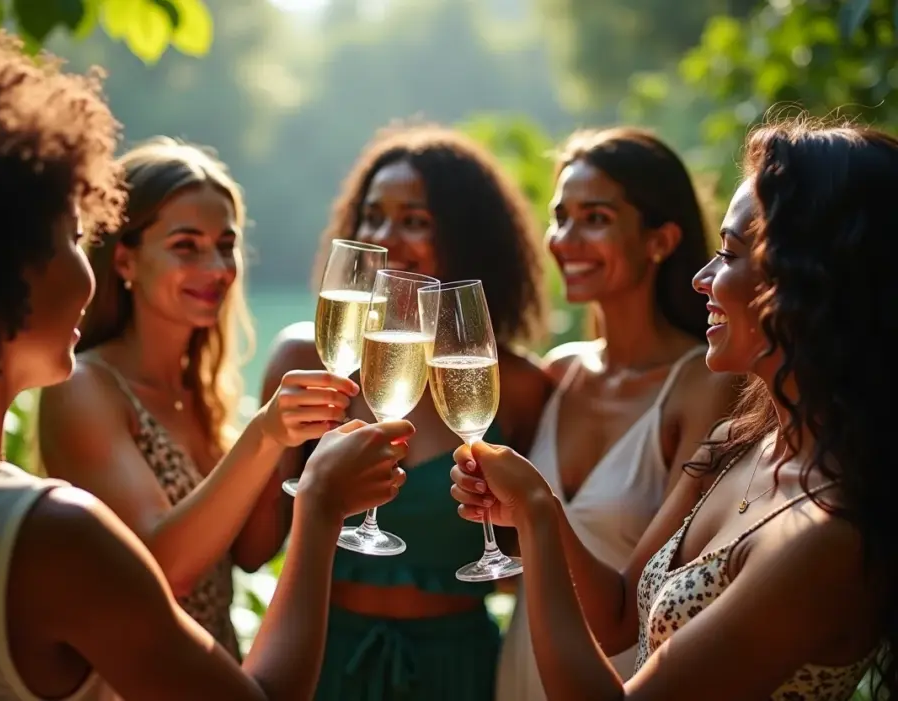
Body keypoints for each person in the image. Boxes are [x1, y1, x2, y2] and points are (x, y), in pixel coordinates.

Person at [0, 30, 412, 701]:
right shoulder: (51, 534)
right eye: (75, 236)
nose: (88, 271)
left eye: (225, 246)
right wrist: (323, 507)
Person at [453, 118, 895, 700]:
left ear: (809, 283)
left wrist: (536, 511)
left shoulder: (826, 538)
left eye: (731, 255)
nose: (702, 278)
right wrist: (538, 515)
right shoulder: (737, 444)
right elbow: (616, 618)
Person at [262, 124, 553, 701]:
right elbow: (252, 551)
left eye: (415, 221)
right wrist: (271, 443)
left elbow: (529, 569)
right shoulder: (309, 360)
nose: (386, 238)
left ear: (468, 237)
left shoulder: (515, 385)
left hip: (457, 671)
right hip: (324, 659)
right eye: (372, 217)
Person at [37, 138, 322, 659]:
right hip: (139, 680)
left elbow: (253, 551)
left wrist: (296, 441)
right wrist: (265, 433)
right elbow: (166, 569)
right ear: (125, 260)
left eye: (224, 244)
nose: (215, 268)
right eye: (186, 246)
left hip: (219, 671)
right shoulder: (84, 387)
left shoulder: (203, 392)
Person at [496, 127, 738, 697]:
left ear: (661, 240)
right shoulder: (558, 373)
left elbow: (640, 604)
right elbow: (513, 555)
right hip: (517, 669)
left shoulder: (703, 386)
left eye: (596, 218)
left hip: (619, 678)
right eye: (561, 216)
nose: (565, 239)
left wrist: (537, 506)